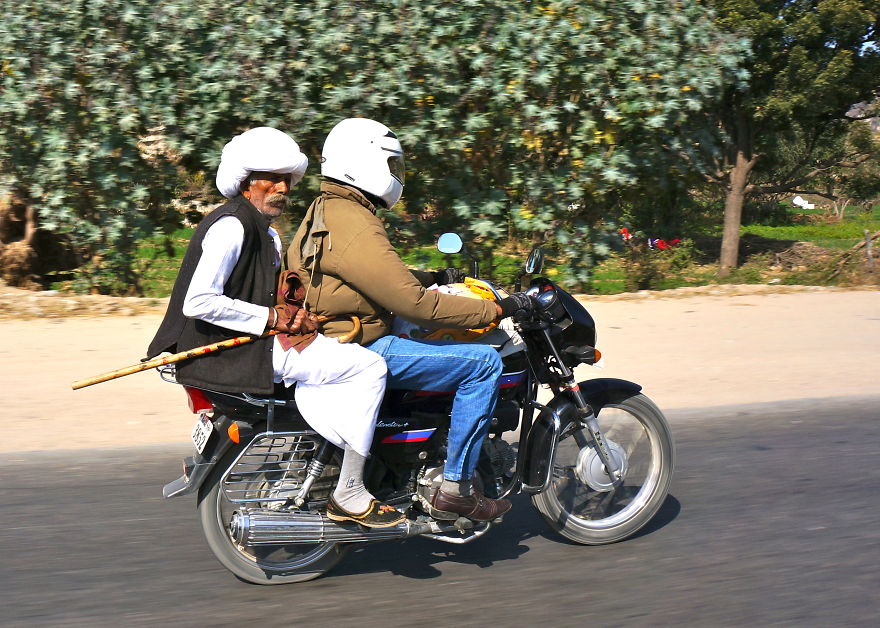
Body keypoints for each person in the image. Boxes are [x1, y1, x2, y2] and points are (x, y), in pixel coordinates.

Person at [146, 126, 404, 528]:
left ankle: (332, 452)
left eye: (287, 179)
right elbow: (200, 301)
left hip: (253, 342)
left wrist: (293, 312)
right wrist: (270, 318)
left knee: (340, 359)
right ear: (246, 183)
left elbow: (262, 294)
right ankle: (350, 489)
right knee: (369, 367)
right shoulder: (231, 226)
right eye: (270, 179)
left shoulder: (266, 232)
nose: (281, 187)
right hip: (236, 350)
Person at [287, 118, 536, 522]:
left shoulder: (330, 208)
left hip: (338, 332)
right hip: (359, 340)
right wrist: (498, 309)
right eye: (391, 165)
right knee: (483, 363)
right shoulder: (353, 220)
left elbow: (374, 277)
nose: (395, 175)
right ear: (364, 162)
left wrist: (437, 278)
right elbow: (413, 303)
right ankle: (456, 487)